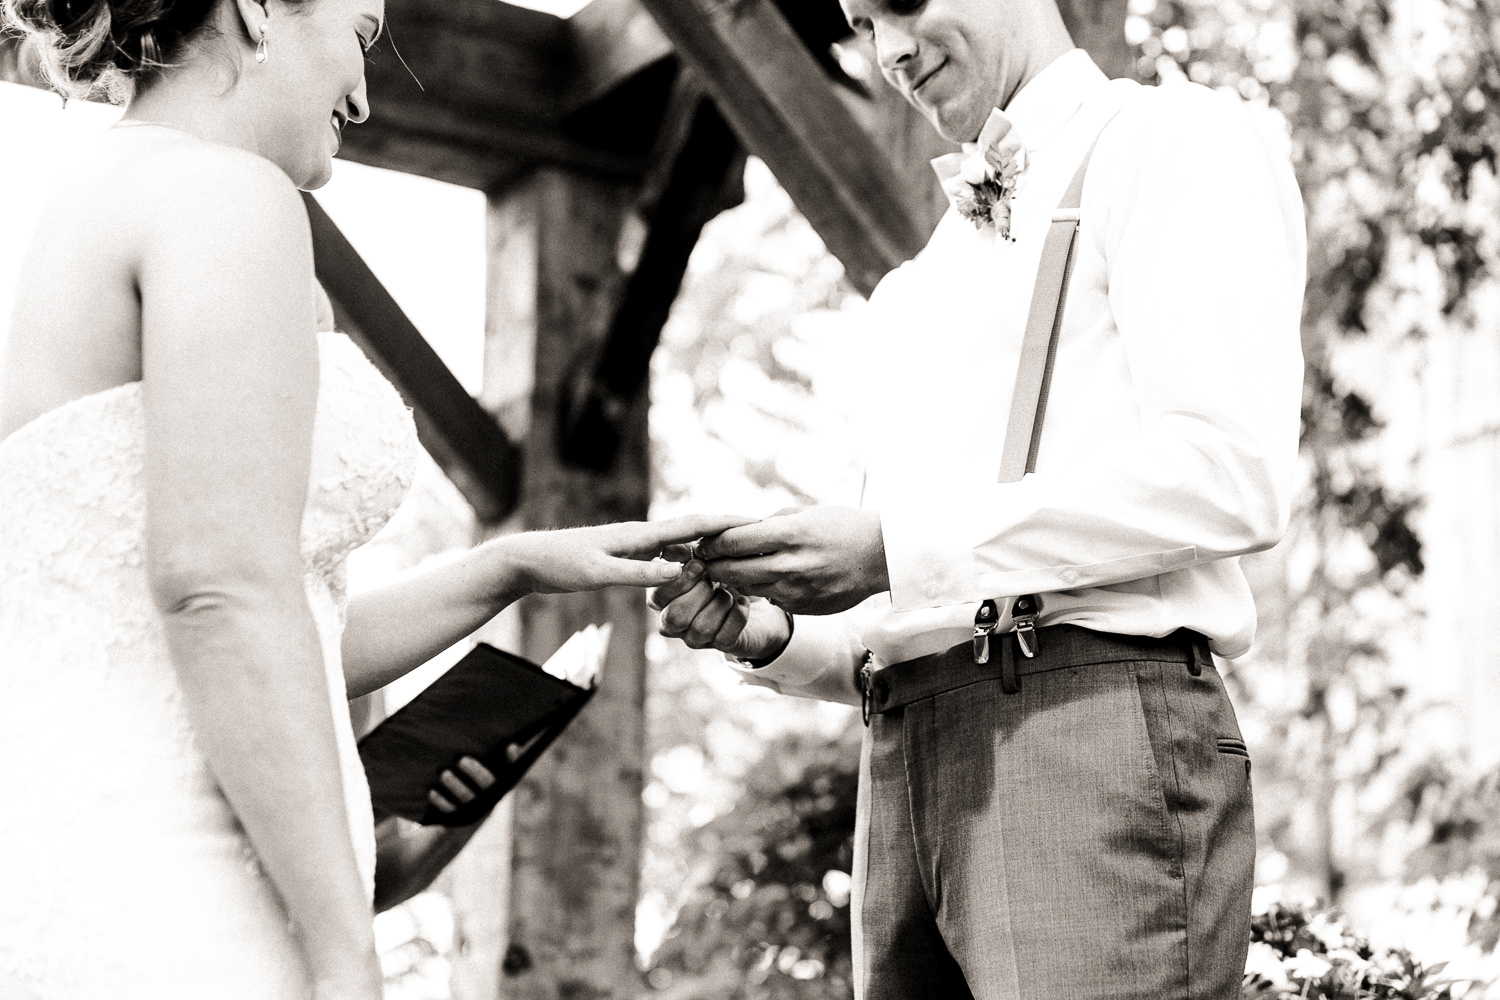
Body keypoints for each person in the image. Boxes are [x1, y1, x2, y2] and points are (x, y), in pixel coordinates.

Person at [0, 0, 744, 997]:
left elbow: (229, 628)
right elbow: (221, 593)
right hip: (182, 870)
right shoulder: (225, 197)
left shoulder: (98, 194)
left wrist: (512, 567)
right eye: (360, 36)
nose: (360, 93)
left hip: (80, 851)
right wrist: (345, 942)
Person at [653, 0, 1306, 997]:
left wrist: (889, 549)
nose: (891, 52)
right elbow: (923, 601)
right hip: (899, 763)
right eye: (861, 24)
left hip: (1087, 737)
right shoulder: (913, 292)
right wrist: (774, 635)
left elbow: (1231, 472)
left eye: (904, 4)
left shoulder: (1172, 140)